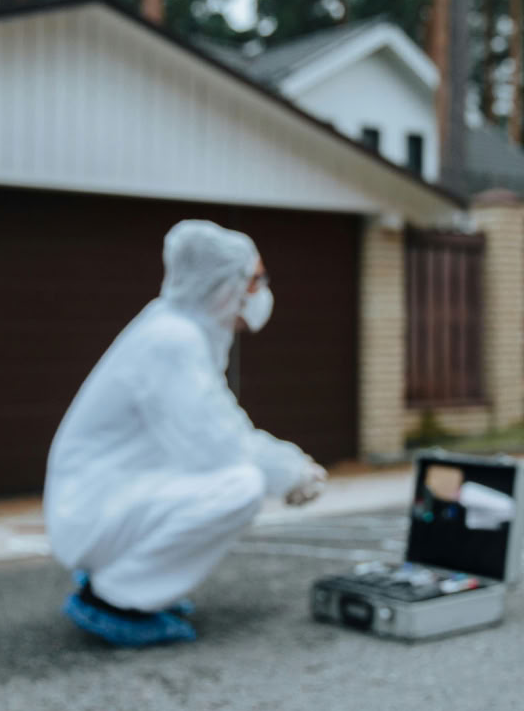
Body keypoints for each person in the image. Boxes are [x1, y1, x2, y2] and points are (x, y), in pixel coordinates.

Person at [44, 219, 327, 647]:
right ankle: (115, 599)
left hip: (101, 498)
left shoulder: (180, 330)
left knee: (230, 475)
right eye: (255, 279)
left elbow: (216, 425)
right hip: (91, 509)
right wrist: (289, 471)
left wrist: (286, 465)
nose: (262, 290)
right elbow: (220, 447)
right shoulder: (173, 340)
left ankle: (128, 581)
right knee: (240, 485)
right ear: (223, 285)